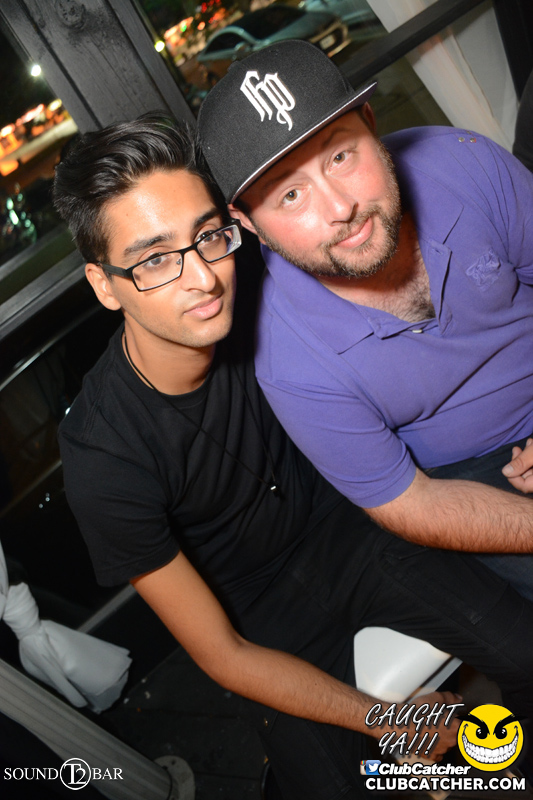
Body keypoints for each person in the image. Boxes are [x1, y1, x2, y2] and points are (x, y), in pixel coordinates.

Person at [52, 114, 533, 800]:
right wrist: (384, 720)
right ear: (105, 285)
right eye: (155, 260)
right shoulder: (103, 457)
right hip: (255, 616)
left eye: (207, 236)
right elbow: (223, 654)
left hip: (356, 536)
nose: (204, 278)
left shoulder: (259, 287)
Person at [198, 40, 533, 602]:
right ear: (249, 224)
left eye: (340, 156)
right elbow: (410, 503)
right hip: (470, 476)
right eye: (290, 194)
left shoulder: (463, 163)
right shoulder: (288, 359)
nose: (341, 209)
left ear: (371, 125)